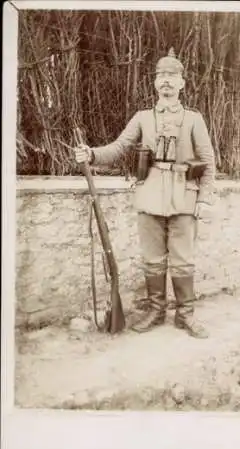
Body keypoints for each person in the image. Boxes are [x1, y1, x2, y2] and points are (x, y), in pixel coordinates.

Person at [74, 48, 216, 339]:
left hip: (184, 197)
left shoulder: (193, 119)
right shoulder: (142, 118)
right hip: (150, 195)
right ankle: (156, 311)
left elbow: (208, 161)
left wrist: (203, 199)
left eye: (172, 76)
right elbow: (118, 147)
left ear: (182, 83)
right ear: (154, 83)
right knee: (152, 258)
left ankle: (185, 315)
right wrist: (91, 154)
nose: (166, 81)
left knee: (182, 260)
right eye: (161, 76)